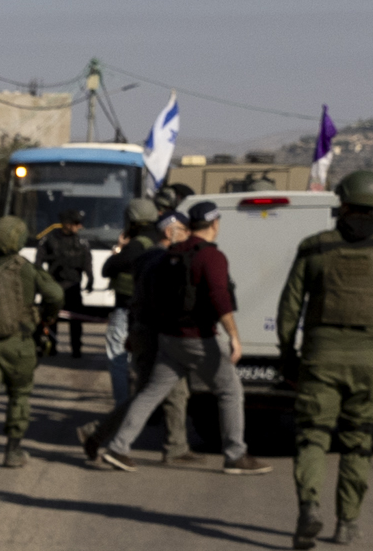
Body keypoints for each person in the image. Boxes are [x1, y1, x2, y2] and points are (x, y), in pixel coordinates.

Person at [274, 169, 373, 549]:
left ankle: (309, 506)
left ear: (343, 201)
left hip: (320, 358)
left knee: (312, 437)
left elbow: (290, 306)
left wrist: (287, 352)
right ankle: (347, 523)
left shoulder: (315, 247)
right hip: (369, 361)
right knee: (357, 442)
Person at [89, 199, 254, 474]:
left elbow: (144, 297)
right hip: (192, 336)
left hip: (166, 336)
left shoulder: (167, 257)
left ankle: (119, 447)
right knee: (229, 390)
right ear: (214, 224)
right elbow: (219, 297)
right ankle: (235, 454)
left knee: (151, 393)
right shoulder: (202, 255)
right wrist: (234, 336)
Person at [0, 215, 60, 470]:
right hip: (21, 344)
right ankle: (12, 452)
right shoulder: (27, 269)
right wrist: (47, 317)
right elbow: (55, 294)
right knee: (19, 396)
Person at [98, 197, 167, 426]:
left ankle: (122, 408)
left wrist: (120, 248)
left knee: (117, 356)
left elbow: (108, 268)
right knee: (146, 361)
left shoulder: (137, 245)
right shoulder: (160, 239)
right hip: (152, 311)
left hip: (127, 308)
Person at [38, 213, 94, 357]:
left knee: (75, 320)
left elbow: (87, 262)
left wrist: (90, 279)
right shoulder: (49, 240)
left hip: (73, 286)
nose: (80, 226)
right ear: (67, 224)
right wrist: (41, 283)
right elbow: (38, 263)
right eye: (76, 223)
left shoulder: (81, 241)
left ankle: (76, 349)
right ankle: (51, 348)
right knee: (51, 319)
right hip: (54, 285)